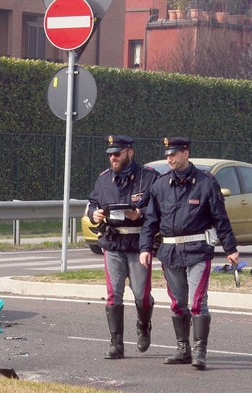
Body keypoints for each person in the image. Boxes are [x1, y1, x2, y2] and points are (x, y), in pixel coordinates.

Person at [139, 137, 239, 370]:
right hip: (170, 251)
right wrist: (145, 248)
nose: (170, 158)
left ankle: (199, 351)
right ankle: (182, 349)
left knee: (197, 303)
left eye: (174, 154)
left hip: (198, 251)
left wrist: (231, 248)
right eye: (167, 155)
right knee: (177, 303)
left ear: (186, 153)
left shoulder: (206, 183)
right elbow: (150, 221)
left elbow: (220, 218)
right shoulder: (160, 185)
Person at [87, 135, 160, 359]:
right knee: (113, 294)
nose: (113, 157)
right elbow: (91, 204)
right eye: (110, 154)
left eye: (117, 153)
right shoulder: (103, 179)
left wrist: (140, 213)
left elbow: (159, 208)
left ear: (130, 152)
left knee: (141, 295)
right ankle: (116, 344)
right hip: (114, 242)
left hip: (139, 243)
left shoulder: (149, 177)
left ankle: (143, 325)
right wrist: (95, 214)